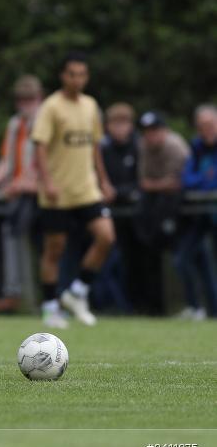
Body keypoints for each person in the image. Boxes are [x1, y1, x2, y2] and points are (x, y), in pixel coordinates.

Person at [31, 52, 115, 329]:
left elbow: (94, 147)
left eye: (82, 74)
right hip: (58, 192)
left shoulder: (91, 106)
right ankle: (50, 307)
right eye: (72, 74)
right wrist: (48, 182)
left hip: (86, 189)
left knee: (106, 236)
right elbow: (40, 146)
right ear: (63, 76)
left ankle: (78, 292)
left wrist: (104, 180)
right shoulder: (51, 107)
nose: (78, 79)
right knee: (55, 250)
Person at [0, 75, 43, 311]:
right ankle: (16, 293)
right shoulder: (16, 125)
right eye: (21, 100)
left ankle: (42, 298)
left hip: (43, 194)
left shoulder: (47, 122)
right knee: (11, 233)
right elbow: (6, 161)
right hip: (19, 193)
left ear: (39, 99)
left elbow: (45, 162)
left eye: (30, 100)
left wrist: (24, 183)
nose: (25, 105)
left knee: (43, 245)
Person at [133, 111, 189, 315]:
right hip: (154, 207)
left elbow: (175, 184)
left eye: (154, 131)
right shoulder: (142, 146)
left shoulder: (175, 146)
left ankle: (189, 306)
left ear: (164, 130)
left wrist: (154, 186)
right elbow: (143, 182)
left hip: (176, 210)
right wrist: (159, 185)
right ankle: (153, 307)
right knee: (147, 249)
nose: (150, 136)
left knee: (182, 256)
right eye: (147, 132)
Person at [174, 104, 217, 319]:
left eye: (209, 124)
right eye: (201, 126)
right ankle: (197, 308)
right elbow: (187, 180)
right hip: (201, 216)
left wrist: (204, 180)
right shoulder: (197, 147)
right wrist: (207, 180)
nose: (206, 129)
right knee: (182, 260)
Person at [98, 103, 140, 313]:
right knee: (109, 264)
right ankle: (117, 308)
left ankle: (130, 307)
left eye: (124, 123)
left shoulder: (139, 147)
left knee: (132, 265)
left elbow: (141, 182)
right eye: (115, 123)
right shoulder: (102, 150)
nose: (119, 128)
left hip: (134, 220)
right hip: (110, 217)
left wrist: (119, 193)